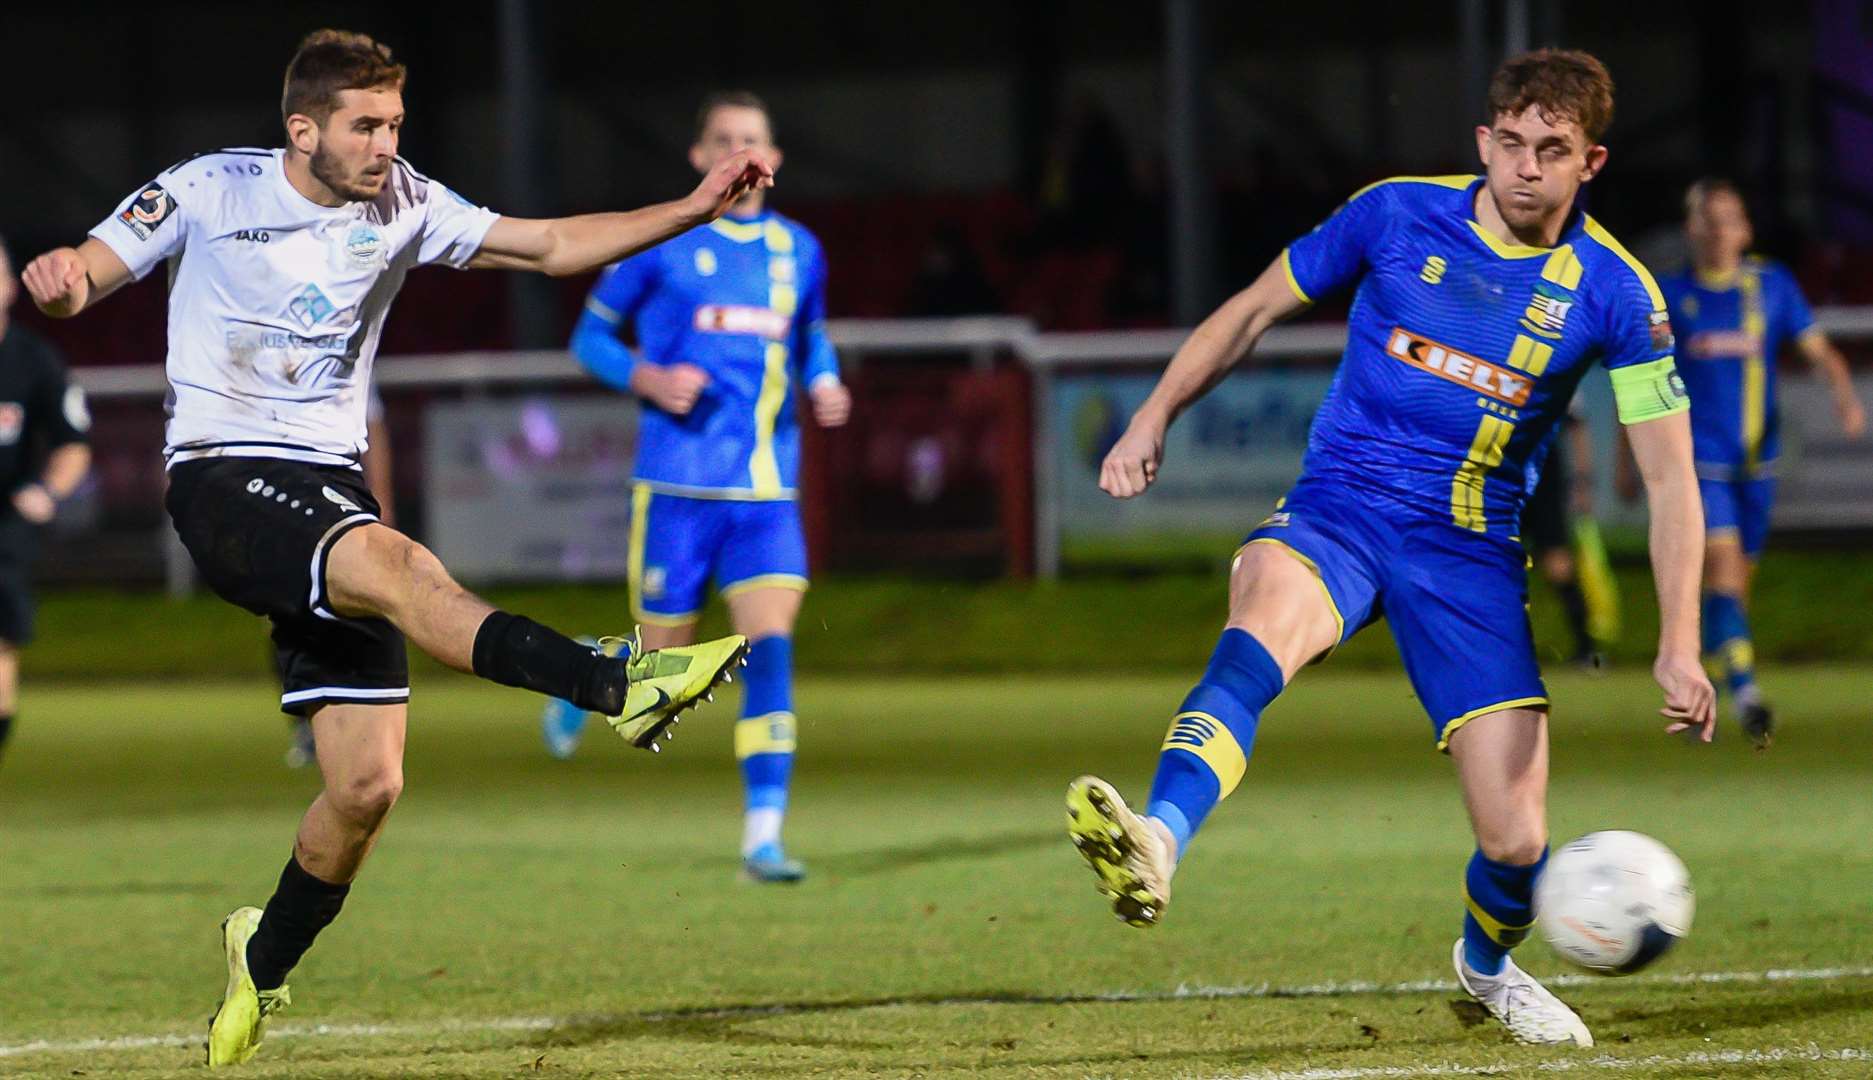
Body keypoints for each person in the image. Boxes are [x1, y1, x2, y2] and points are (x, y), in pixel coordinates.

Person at [20, 30, 769, 1066]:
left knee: (367, 787)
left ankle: (263, 957)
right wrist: (60, 281)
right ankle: (616, 682)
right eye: (366, 126)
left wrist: (689, 210)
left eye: (394, 125)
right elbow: (87, 275)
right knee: (408, 571)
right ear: (303, 129)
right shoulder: (208, 189)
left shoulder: (404, 202)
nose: (385, 145)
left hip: (327, 487)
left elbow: (547, 245)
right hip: (223, 480)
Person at [1064, 49, 1715, 1049]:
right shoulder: (1394, 213)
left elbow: (1671, 482)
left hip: (1468, 552)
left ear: (1591, 161)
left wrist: (1678, 642)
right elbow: (1249, 311)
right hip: (1342, 506)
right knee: (1258, 627)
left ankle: (1485, 967)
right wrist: (1152, 413)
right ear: (1482, 142)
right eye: (1510, 144)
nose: (1526, 167)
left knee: (1516, 841)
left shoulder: (1618, 295)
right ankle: (1157, 835)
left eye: (1553, 150)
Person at [545, 91, 850, 884]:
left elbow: (812, 339)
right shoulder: (663, 243)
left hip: (766, 496)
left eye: (753, 140)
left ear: (774, 159)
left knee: (768, 644)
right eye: (724, 140)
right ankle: (588, 668)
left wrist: (826, 383)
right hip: (676, 491)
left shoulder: (800, 252)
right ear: (698, 158)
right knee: (658, 681)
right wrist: (644, 375)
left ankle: (762, 837)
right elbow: (588, 337)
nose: (741, 153)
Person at [1656, 179, 1866, 748]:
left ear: (1745, 229)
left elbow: (1818, 350)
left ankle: (1703, 683)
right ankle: (1749, 697)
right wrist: (1635, 461)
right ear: (1690, 229)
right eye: (1706, 218)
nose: (1718, 228)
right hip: (1704, 464)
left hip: (1759, 465)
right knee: (1723, 576)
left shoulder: (1771, 287)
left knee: (1733, 591)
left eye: (1728, 218)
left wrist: (1844, 395)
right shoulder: (1673, 297)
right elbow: (1646, 386)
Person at [0, 234, 93, 764]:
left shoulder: (33, 361)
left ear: (11, 287)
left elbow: (72, 443)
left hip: (4, 518)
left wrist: (47, 492)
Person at [285, 388, 393, 768]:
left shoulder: (345, 340)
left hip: (342, 502)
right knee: (291, 612)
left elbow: (372, 425)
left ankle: (357, 722)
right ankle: (308, 721)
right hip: (283, 498)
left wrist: (382, 498)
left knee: (355, 607)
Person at [1521, 405, 1618, 668]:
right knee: (1493, 564)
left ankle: (1588, 648)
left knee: (1558, 563)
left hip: (1544, 474)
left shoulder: (1556, 365)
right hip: (1496, 471)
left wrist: (1583, 480)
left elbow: (1576, 425)